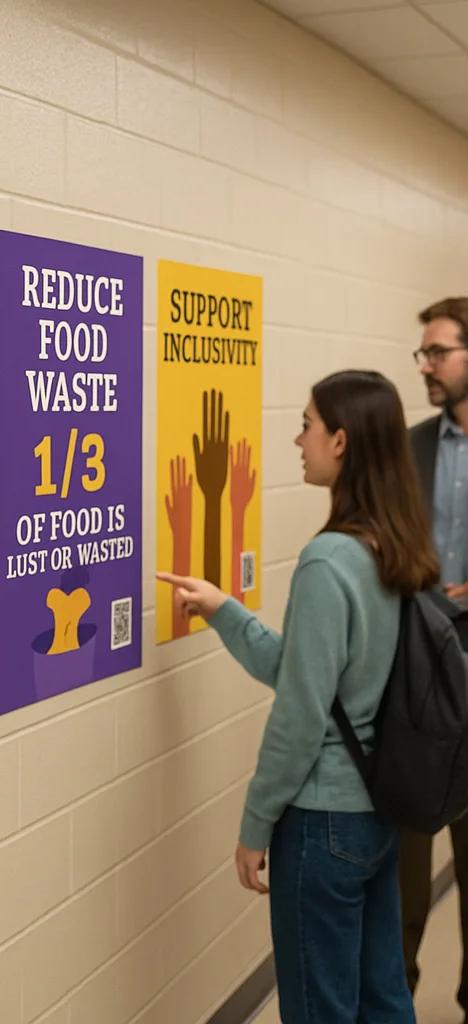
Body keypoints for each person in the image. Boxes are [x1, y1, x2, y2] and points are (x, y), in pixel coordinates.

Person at [158, 370, 437, 1024]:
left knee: (319, 1012)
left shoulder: (328, 560)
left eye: (307, 425)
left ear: (340, 441)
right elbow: (316, 676)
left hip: (322, 825)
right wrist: (227, 611)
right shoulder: (393, 545)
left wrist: (255, 826)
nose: (296, 439)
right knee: (383, 1000)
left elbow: (300, 716)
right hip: (376, 814)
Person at [402, 297, 468, 1017]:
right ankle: (398, 1004)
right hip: (419, 689)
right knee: (405, 892)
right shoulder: (411, 447)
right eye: (422, 353)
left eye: (438, 352)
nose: (425, 365)